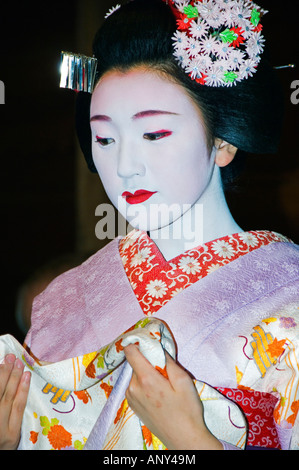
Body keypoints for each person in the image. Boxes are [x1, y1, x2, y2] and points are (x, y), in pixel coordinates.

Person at [1, 0, 298, 450]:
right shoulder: (65, 297)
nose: (124, 166)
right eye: (104, 138)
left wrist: (194, 441)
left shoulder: (288, 293)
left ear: (222, 141)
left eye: (154, 134)